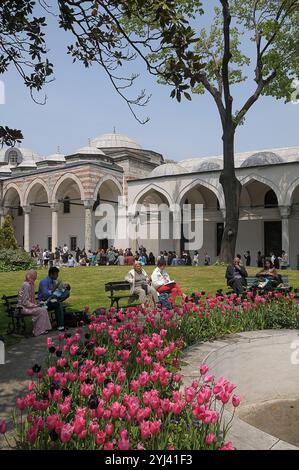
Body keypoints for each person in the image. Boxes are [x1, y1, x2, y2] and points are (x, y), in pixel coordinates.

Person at [18, 270, 52, 336]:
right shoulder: (26, 285)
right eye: (34, 276)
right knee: (41, 310)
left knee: (43, 309)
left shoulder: (30, 284)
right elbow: (24, 302)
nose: (35, 278)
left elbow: (30, 299)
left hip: (28, 306)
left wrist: (37, 304)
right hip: (23, 308)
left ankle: (43, 329)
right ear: (31, 276)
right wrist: (36, 305)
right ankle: (38, 331)